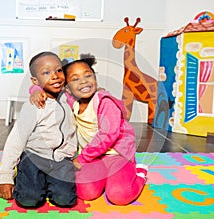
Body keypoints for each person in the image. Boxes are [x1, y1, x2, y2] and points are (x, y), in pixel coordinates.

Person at [30, 54, 148, 206]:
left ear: (95, 79)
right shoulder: (72, 100)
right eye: (75, 78)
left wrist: (81, 159)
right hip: (94, 158)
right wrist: (34, 90)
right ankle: (106, 178)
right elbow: (45, 86)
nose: (84, 80)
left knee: (119, 196)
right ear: (67, 88)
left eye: (88, 75)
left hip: (116, 155)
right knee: (85, 193)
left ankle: (140, 174)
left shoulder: (104, 102)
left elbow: (108, 135)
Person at [0, 51, 77, 208]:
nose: (55, 75)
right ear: (35, 80)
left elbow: (84, 87)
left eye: (58, 70)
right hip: (34, 157)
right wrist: (5, 178)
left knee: (65, 200)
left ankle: (48, 181)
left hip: (61, 159)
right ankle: (22, 175)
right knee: (28, 200)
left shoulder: (68, 97)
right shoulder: (35, 105)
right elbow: (15, 140)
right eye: (46, 73)